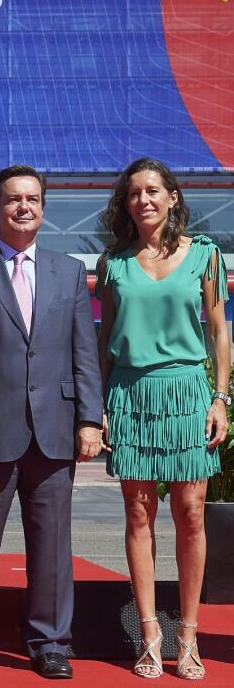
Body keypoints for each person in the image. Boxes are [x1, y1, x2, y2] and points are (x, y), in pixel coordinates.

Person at [0, 165, 104, 679]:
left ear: (44, 207)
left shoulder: (70, 271)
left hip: (55, 426)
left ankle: (51, 641)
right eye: (13, 199)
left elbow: (84, 352)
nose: (24, 207)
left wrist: (89, 419)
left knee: (53, 544)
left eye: (33, 199)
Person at [96, 157, 228, 681]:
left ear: (173, 197)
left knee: (192, 513)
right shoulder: (113, 263)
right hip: (129, 392)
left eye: (153, 190)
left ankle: (188, 633)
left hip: (188, 394)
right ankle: (150, 632)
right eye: (134, 194)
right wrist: (99, 405)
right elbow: (104, 340)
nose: (143, 200)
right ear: (125, 204)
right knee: (138, 514)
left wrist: (221, 399)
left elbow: (220, 332)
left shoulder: (207, 256)